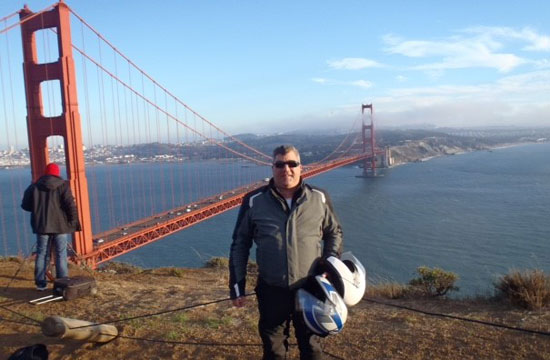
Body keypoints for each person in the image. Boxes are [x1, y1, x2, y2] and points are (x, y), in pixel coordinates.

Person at [229, 145, 343, 360]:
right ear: (272, 168)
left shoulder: (319, 198)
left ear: (301, 167)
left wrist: (329, 265)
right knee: (273, 351)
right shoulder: (254, 201)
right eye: (280, 164)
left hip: (311, 287)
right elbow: (240, 244)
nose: (286, 169)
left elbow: (334, 232)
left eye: (292, 164)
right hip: (272, 289)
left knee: (313, 349)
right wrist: (237, 286)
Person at [21, 163, 81, 291]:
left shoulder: (34, 186)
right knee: (60, 254)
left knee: (42, 253)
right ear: (57, 173)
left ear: (45, 172)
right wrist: (73, 222)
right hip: (60, 226)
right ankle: (62, 284)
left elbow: (25, 205)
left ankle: (40, 284)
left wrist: (37, 208)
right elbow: (70, 206)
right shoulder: (63, 186)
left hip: (41, 226)